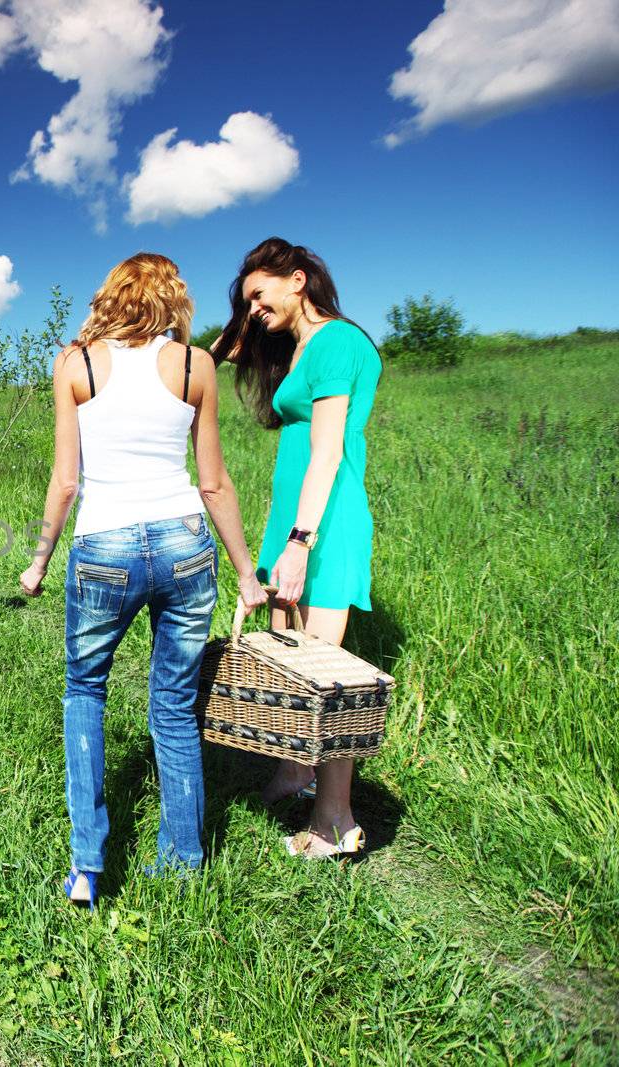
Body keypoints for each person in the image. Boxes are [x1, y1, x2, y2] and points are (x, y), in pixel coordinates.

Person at [20, 254, 267, 907]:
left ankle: (86, 866)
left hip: (105, 545)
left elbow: (66, 479)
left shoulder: (76, 362)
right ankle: (183, 862)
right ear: (172, 299)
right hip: (186, 543)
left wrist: (40, 560)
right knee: (175, 703)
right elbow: (212, 481)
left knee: (84, 691)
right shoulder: (195, 366)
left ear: (111, 294)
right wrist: (246, 572)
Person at [214, 237, 383, 859]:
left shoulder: (336, 342)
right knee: (288, 657)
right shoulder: (298, 348)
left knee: (324, 673)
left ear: (299, 280)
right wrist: (243, 330)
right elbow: (218, 354)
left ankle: (336, 820)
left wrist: (302, 541)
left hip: (324, 524)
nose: (253, 309)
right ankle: (294, 772)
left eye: (260, 295)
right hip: (292, 523)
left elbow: (329, 450)